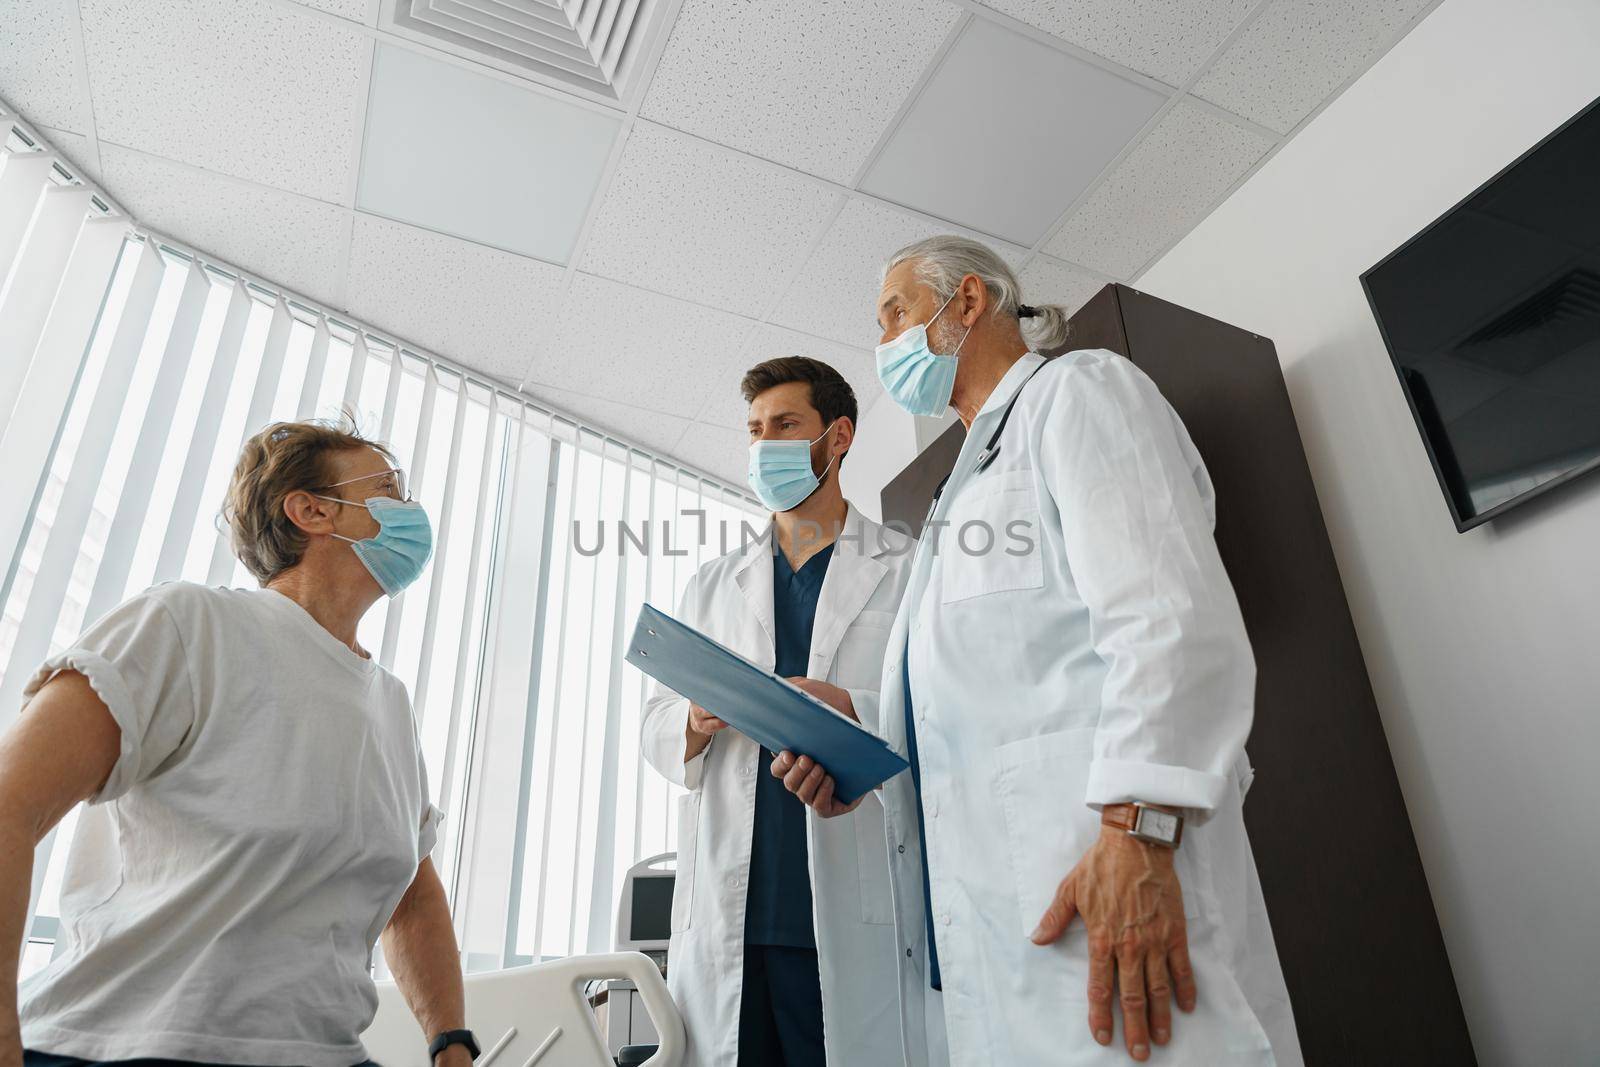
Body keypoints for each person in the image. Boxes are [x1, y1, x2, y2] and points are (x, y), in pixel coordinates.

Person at [775, 236, 1303, 1065]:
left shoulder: (1081, 394)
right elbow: (989, 699)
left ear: (970, 303)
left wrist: (1139, 826)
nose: (885, 344)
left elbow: (1169, 619)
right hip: (1006, 936)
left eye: (897, 313)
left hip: (1115, 882)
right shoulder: (957, 499)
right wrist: (866, 732)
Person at [0, 419, 476, 1067]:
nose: (412, 510)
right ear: (312, 510)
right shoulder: (189, 626)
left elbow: (413, 897)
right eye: (389, 489)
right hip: (126, 1043)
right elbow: (10, 802)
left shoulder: (389, 703)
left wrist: (451, 1042)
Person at [639, 357, 915, 1066]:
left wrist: (855, 706)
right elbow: (655, 724)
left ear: (839, 436)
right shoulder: (711, 583)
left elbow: (943, 703)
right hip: (736, 917)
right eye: (756, 430)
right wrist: (695, 719)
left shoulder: (908, 568)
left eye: (786, 425)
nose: (766, 445)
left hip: (848, 912)